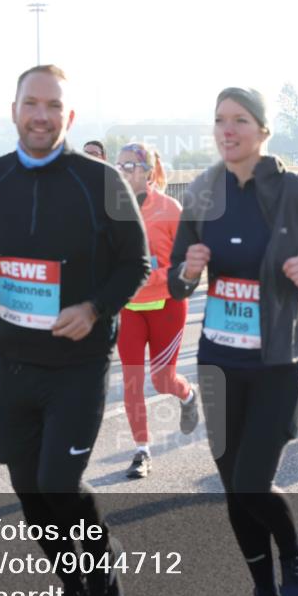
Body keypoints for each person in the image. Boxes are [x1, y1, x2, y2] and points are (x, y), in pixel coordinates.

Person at [0, 64, 150, 596]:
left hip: (78, 364)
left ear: (69, 116)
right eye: (31, 103)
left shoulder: (101, 180)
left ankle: (100, 570)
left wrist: (94, 308)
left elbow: (137, 263)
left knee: (59, 481)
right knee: (29, 489)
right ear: (13, 110)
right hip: (14, 362)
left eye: (53, 106)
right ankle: (71, 588)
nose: (41, 115)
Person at [168, 87, 298, 596]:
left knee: (253, 480)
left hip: (281, 358)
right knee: (235, 489)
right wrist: (188, 269)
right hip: (220, 360)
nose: (228, 130)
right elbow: (175, 281)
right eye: (220, 121)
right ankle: (262, 593)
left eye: (240, 120)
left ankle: (295, 549)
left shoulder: (294, 190)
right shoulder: (204, 190)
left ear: (263, 130)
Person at [113, 143, 197, 479]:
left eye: (130, 165)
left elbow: (187, 261)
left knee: (161, 381)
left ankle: (187, 394)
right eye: (118, 166)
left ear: (148, 170)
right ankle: (142, 451)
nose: (123, 172)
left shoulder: (169, 208)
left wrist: (152, 275)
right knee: (132, 382)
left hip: (167, 304)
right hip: (128, 308)